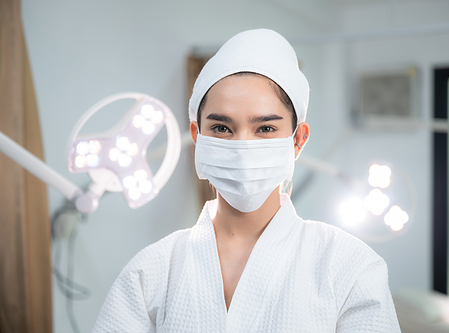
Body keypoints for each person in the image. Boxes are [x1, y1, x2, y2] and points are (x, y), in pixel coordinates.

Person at [92, 29, 401, 332]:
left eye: (265, 128)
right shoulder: (151, 271)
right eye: (222, 128)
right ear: (197, 136)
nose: (242, 148)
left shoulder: (350, 268)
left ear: (298, 140)